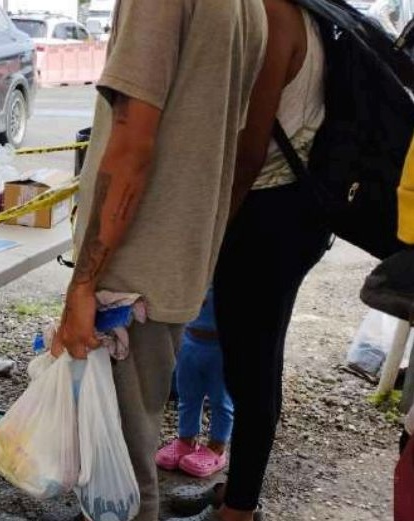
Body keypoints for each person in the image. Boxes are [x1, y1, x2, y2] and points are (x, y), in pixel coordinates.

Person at [47, 1, 268, 520]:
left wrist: (83, 284)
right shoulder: (251, 7)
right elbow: (242, 142)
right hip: (174, 260)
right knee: (130, 441)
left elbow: (131, 146)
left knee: (119, 469)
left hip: (130, 271)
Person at [166, 1, 331, 520]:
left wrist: (212, 231)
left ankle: (238, 510)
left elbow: (250, 149)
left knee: (249, 367)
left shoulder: (275, 14)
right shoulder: (308, 12)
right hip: (294, 210)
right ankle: (239, 494)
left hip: (267, 214)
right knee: (257, 360)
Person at [156, 288, 233, 479]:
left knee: (221, 400)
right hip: (189, 339)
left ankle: (217, 448)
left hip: (222, 345)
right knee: (188, 396)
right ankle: (186, 440)